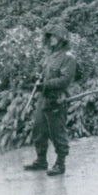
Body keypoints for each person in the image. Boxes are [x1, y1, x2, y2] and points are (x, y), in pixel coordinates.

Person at [23, 23, 77, 176]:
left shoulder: (68, 58)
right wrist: (39, 78)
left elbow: (64, 80)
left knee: (57, 132)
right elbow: (46, 73)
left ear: (62, 39)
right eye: (50, 36)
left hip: (56, 100)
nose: (51, 39)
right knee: (39, 129)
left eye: (54, 36)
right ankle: (41, 161)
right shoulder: (51, 55)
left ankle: (60, 164)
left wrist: (45, 84)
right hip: (44, 99)